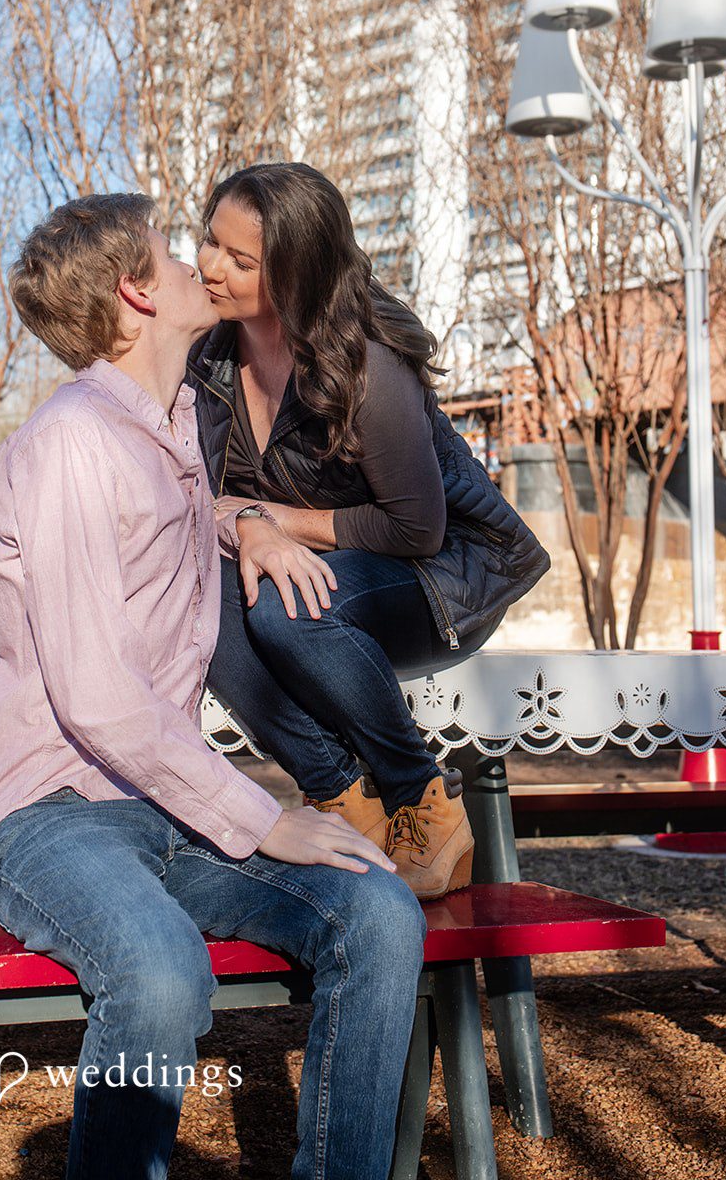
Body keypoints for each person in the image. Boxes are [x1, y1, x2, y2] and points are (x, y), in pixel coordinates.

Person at [0, 192, 427, 1180]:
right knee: (162, 970)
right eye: (174, 255)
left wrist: (247, 523)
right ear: (136, 291)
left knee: (378, 910)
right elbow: (95, 696)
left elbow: (172, 512)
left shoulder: (167, 422)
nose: (195, 267)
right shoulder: (67, 446)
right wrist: (260, 817)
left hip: (164, 811)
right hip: (50, 817)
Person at [189, 162, 551, 901]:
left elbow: (416, 527)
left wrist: (272, 519)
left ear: (296, 273)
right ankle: (343, 799)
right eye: (208, 242)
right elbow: (190, 493)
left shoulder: (366, 366)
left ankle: (420, 797)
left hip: (441, 574)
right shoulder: (211, 360)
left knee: (283, 605)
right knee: (197, 603)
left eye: (239, 259)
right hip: (325, 570)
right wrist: (250, 527)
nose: (208, 267)